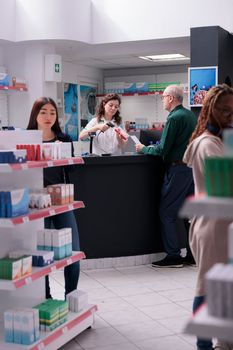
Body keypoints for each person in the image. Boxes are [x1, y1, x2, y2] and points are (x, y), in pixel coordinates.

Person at [183, 84, 233, 350]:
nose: (229, 115)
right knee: (206, 287)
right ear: (211, 109)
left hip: (225, 225)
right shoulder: (206, 144)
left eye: (232, 111)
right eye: (224, 110)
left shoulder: (222, 140)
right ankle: (203, 344)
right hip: (212, 227)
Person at [136, 85, 197, 267]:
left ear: (170, 98)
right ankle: (192, 254)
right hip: (191, 170)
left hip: (178, 170)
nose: (162, 99)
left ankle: (173, 256)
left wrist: (143, 148)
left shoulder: (174, 117)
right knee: (188, 214)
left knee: (166, 212)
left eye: (163, 97)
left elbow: (162, 149)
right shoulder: (190, 116)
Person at [27, 97, 80, 299]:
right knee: (42, 254)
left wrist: (61, 154)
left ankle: (71, 297)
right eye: (43, 112)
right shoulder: (28, 139)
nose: (48, 117)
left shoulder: (64, 138)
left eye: (52, 112)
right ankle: (46, 297)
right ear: (35, 115)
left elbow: (71, 168)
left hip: (62, 203)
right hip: (37, 204)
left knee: (73, 252)